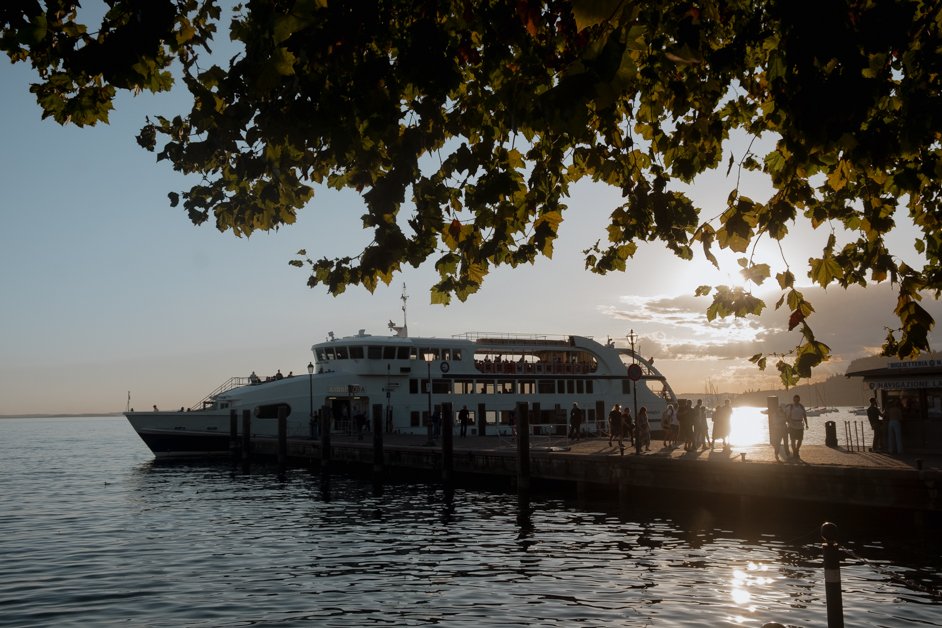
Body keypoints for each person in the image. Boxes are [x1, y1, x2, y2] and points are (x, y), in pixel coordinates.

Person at [785, 394, 809, 460]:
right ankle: (794, 452)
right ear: (793, 400)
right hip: (792, 426)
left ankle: (797, 450)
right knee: (792, 440)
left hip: (800, 425)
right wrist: (789, 422)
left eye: (797, 399)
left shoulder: (801, 407)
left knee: (800, 440)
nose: (796, 400)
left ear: (799, 399)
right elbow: (787, 416)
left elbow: (804, 416)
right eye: (795, 399)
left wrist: (807, 424)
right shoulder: (791, 407)